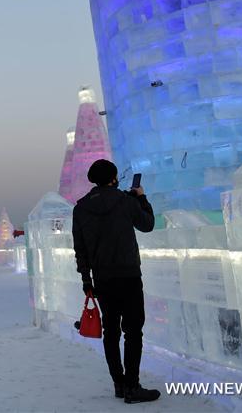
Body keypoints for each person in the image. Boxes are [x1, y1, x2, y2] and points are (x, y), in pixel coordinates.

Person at [72, 159, 159, 404]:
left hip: (102, 279)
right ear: (113, 178)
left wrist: (86, 281)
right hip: (129, 276)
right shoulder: (125, 200)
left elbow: (80, 250)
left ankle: (119, 384)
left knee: (111, 332)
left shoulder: (81, 208)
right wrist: (141, 198)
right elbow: (148, 225)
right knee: (133, 331)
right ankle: (133, 386)